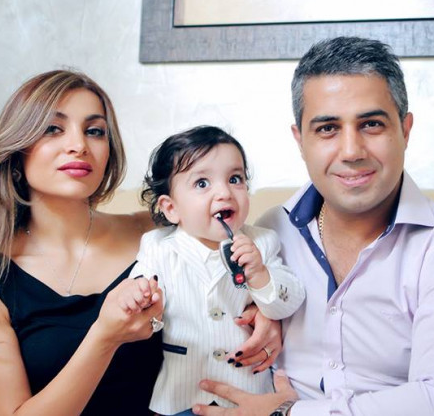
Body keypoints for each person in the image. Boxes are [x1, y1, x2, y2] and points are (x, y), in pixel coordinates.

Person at [0, 71, 280, 415]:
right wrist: (104, 338)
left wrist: (269, 314)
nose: (79, 145)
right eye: (53, 128)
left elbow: (247, 263)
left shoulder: (160, 233)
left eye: (94, 131)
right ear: (18, 149)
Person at [194, 37, 434, 415]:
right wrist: (263, 312)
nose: (351, 151)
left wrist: (287, 414)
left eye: (371, 124)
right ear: (300, 140)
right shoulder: (269, 233)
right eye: (327, 129)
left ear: (405, 130)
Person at [121, 126, 306, 416]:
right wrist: (138, 294)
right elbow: (140, 294)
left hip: (249, 391)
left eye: (235, 179)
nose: (224, 192)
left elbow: (288, 302)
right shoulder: (158, 247)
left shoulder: (262, 242)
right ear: (171, 208)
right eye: (202, 183)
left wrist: (260, 275)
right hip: (181, 393)